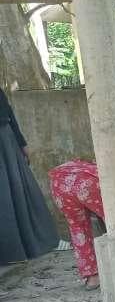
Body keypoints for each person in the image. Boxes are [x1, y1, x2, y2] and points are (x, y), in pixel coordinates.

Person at [48, 156, 115, 290]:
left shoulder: (92, 162)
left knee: (78, 229)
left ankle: (92, 278)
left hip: (59, 182)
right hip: (86, 182)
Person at [0, 88, 58, 265]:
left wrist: (22, 143)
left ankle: (25, 247)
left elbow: (8, 111)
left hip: (6, 139)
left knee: (16, 191)